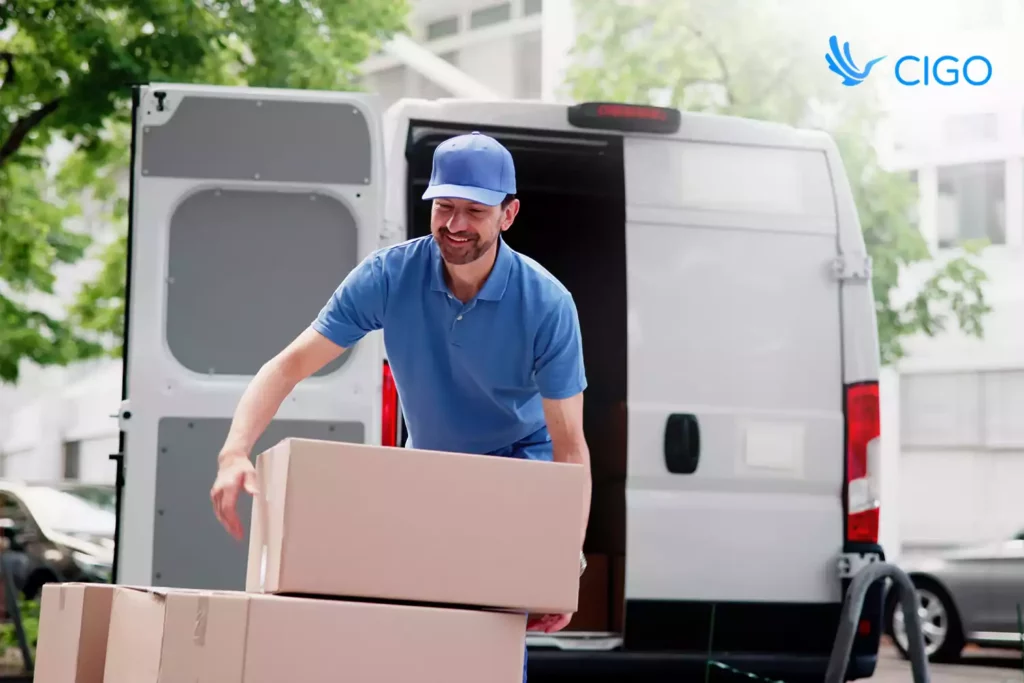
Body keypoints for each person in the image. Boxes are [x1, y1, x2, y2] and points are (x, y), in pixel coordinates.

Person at [209, 131, 592, 679]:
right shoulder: (390, 276)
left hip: (514, 470)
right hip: (427, 467)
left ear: (508, 215)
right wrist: (234, 453)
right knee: (409, 625)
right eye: (444, 207)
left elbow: (569, 446)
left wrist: (563, 559)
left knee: (488, 635)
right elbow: (287, 366)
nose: (455, 224)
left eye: (474, 211)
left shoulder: (547, 304)